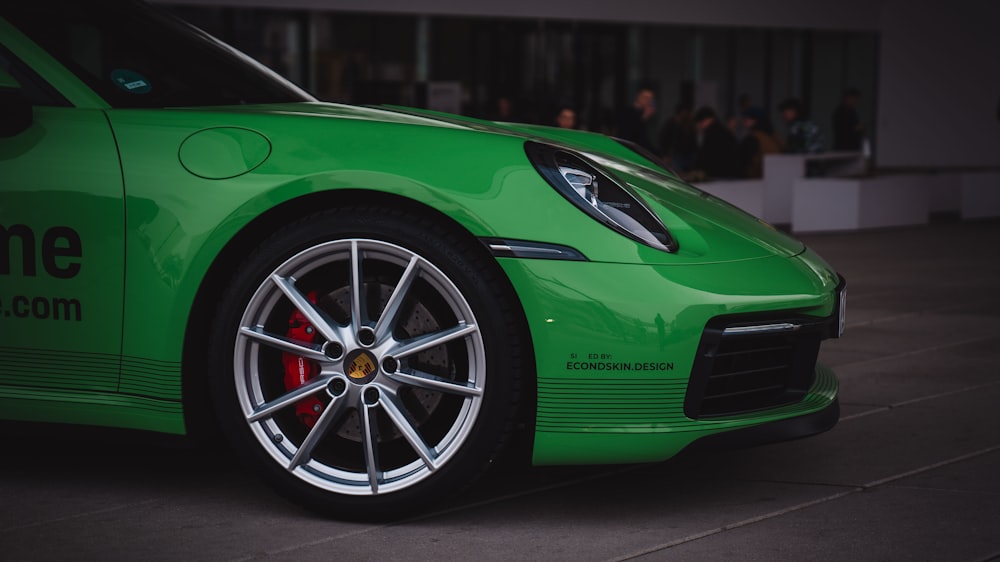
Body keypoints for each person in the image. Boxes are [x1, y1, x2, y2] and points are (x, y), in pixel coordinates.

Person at [689, 106, 742, 180]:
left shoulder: (712, 134)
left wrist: (696, 169)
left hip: (719, 174)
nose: (700, 125)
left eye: (701, 122)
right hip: (730, 173)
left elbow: (706, 155)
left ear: (708, 119)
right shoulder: (723, 132)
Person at [738, 106, 783, 178]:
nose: (745, 120)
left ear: (757, 120)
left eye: (749, 118)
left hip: (756, 180)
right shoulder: (775, 137)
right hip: (774, 177)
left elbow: (743, 161)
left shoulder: (754, 138)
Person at [658, 102, 697, 174]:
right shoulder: (671, 123)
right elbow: (664, 139)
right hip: (676, 154)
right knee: (678, 174)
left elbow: (693, 140)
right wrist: (665, 154)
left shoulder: (690, 124)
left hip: (689, 154)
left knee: (689, 174)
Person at [617, 86, 657, 151]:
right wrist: (644, 117)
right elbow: (629, 134)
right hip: (628, 150)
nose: (648, 101)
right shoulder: (628, 112)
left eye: (650, 99)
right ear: (638, 96)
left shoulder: (642, 113)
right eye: (646, 97)